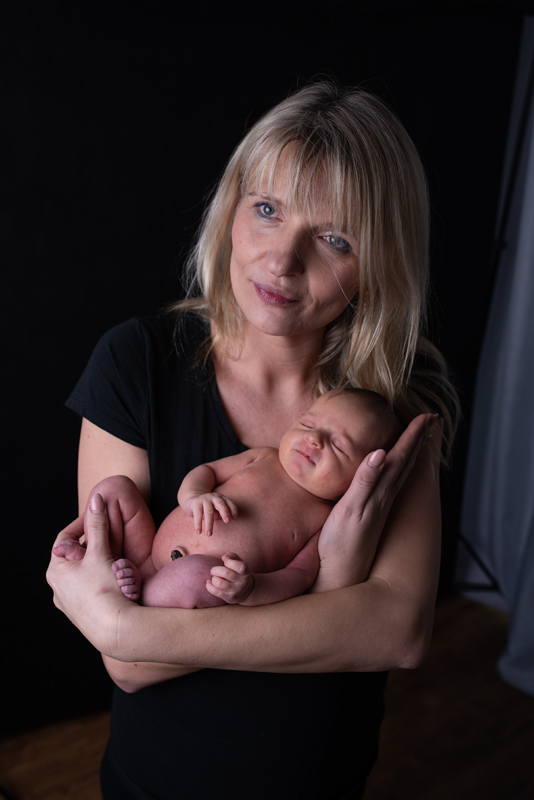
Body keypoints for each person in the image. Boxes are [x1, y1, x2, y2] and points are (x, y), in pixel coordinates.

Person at [47, 82, 458, 800]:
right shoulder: (137, 362)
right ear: (230, 208)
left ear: (380, 263)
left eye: (334, 239)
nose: (282, 260)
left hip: (319, 781)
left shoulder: (394, 404)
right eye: (267, 209)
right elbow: (131, 666)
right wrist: (334, 585)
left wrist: (127, 626)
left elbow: (397, 632)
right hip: (157, 782)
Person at [54, 389, 404, 609]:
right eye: (309, 424)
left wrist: (251, 588)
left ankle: (136, 596)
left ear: (363, 475)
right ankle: (99, 560)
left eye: (339, 445)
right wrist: (194, 495)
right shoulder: (264, 456)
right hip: (146, 552)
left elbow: (298, 576)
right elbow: (207, 470)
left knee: (195, 575)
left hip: (190, 583)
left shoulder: (325, 518)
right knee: (114, 488)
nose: (314, 440)